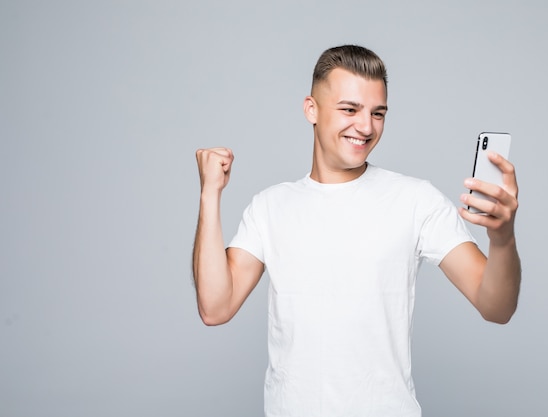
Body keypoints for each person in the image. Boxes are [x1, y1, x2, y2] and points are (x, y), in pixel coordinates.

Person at [192, 45, 521, 417]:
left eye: (377, 113)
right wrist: (209, 194)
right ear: (311, 109)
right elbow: (216, 308)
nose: (365, 127)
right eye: (349, 109)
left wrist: (502, 237)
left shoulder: (415, 200)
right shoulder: (270, 207)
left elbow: (496, 307)